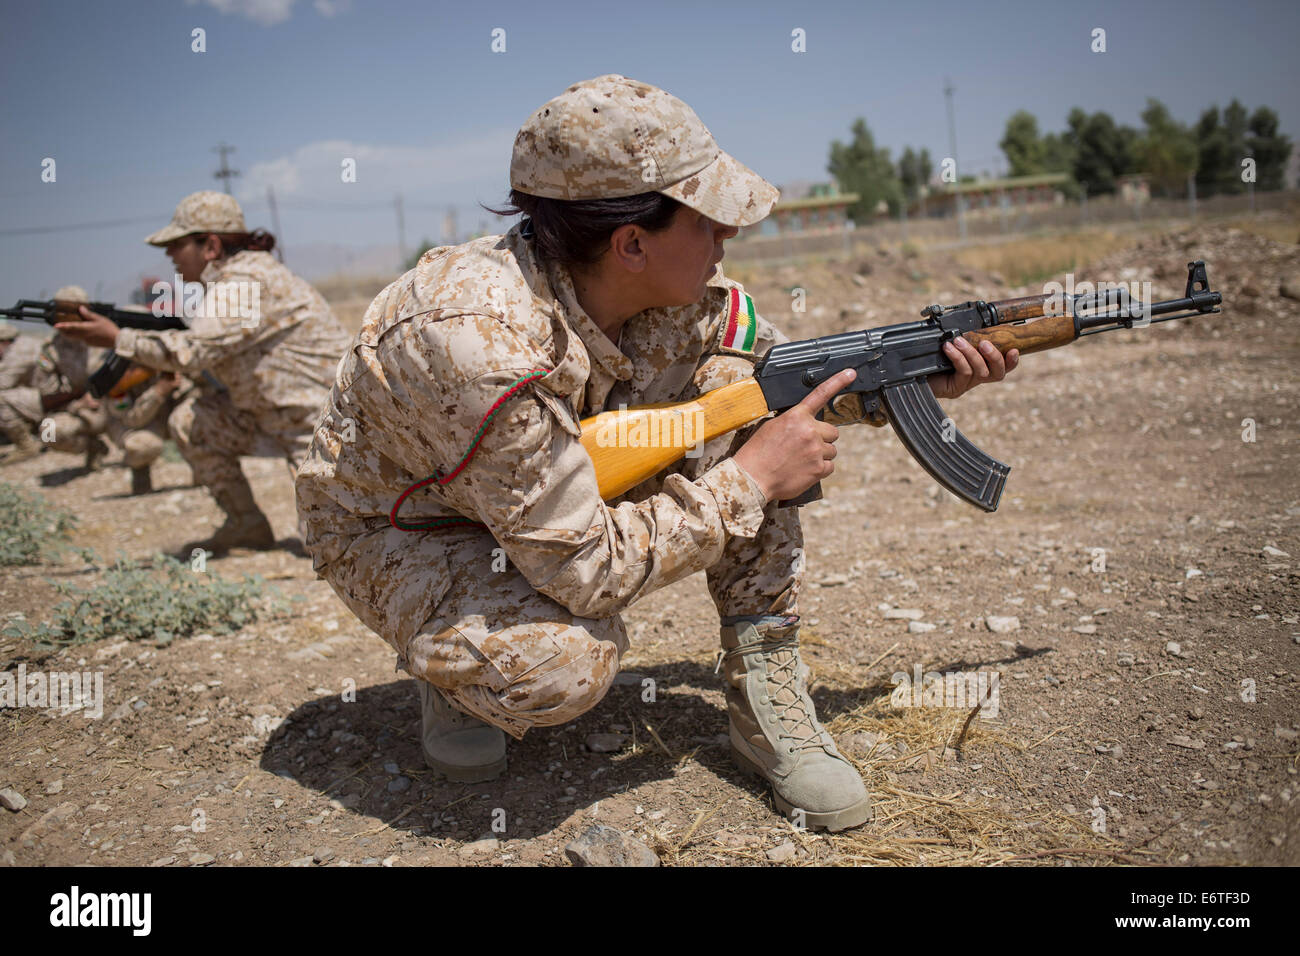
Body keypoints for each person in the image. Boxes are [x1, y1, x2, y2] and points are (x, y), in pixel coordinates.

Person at [295, 75, 1019, 831]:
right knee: (558, 665)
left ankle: (764, 681)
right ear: (632, 242)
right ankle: (456, 665)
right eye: (710, 220)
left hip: (537, 493)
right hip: (409, 524)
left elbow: (787, 387)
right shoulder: (475, 341)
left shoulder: (677, 300)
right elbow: (585, 569)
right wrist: (749, 480)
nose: (728, 238)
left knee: (742, 399)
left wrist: (907, 382)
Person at [55, 192, 351, 550]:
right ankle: (245, 525)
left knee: (330, 548)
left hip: (321, 428)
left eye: (176, 245)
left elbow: (193, 351)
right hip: (273, 418)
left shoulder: (243, 284)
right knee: (193, 421)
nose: (169, 255)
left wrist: (117, 338)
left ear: (210, 246)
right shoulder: (234, 283)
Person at [0, 286, 107, 468]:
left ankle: (99, 446)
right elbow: (47, 388)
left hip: (102, 410)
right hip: (67, 407)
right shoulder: (51, 347)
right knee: (48, 433)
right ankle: (91, 446)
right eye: (61, 312)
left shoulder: (100, 343)